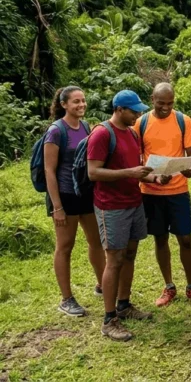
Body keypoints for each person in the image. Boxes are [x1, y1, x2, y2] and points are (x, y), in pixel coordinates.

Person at [88, 90, 163, 341]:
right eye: (133, 111)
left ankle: (124, 304)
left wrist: (155, 178)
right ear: (119, 109)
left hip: (134, 201)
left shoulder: (132, 133)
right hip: (111, 206)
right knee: (115, 259)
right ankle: (109, 319)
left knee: (130, 254)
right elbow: (93, 172)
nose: (137, 116)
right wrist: (129, 172)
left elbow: (137, 170)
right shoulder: (102, 134)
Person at [135, 83, 191, 309]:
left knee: (185, 239)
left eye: (170, 103)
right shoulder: (141, 123)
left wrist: (189, 169)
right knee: (160, 238)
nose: (166, 108)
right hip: (151, 191)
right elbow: (137, 158)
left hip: (178, 190)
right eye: (161, 103)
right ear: (152, 99)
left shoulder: (183, 121)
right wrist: (154, 177)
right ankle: (169, 286)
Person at [43, 86, 104, 317]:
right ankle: (66, 299)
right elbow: (49, 171)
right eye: (76, 101)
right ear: (64, 105)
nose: (81, 105)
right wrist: (57, 207)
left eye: (83, 100)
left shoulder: (86, 126)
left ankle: (103, 284)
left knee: (96, 241)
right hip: (64, 196)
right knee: (65, 246)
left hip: (85, 193)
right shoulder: (56, 131)